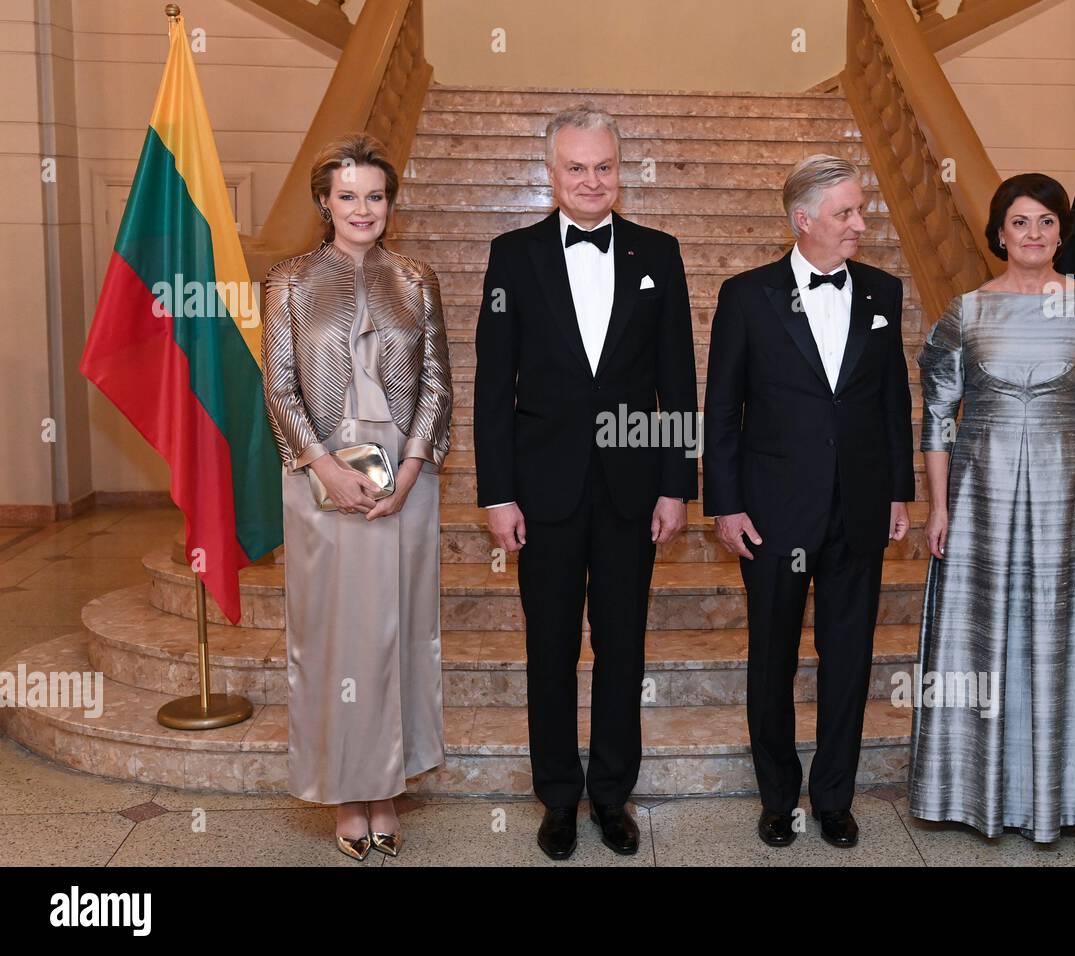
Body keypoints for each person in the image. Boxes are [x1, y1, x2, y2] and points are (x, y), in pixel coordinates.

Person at [473, 104, 697, 859]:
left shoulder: (659, 253)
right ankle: (558, 797)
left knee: (623, 647)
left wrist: (677, 485)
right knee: (551, 648)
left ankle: (612, 794)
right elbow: (490, 388)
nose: (591, 180)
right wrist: (497, 492)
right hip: (543, 490)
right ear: (552, 172)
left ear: (620, 170)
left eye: (603, 167)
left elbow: (678, 381)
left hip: (635, 488)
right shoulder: (513, 256)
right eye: (576, 167)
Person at [908, 172, 1075, 843]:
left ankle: (1059, 797)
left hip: (1068, 494)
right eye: (1019, 222)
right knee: (977, 637)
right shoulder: (967, 312)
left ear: (1061, 231)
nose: (1032, 234)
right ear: (999, 234)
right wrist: (939, 505)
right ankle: (969, 792)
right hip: (979, 494)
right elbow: (936, 420)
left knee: (1058, 634)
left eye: (1044, 221)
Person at [703, 154, 914, 848]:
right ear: (804, 220)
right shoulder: (746, 295)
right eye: (847, 213)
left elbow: (891, 402)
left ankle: (834, 798)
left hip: (857, 507)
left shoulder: (883, 292)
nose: (861, 223)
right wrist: (725, 504)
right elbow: (722, 409)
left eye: (861, 210)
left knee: (849, 657)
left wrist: (898, 492)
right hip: (772, 512)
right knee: (772, 658)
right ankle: (776, 795)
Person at [262, 132, 452, 861]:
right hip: (320, 486)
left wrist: (408, 472)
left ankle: (387, 785)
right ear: (324, 202)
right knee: (334, 639)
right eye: (348, 196)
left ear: (390, 204)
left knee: (398, 632)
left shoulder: (415, 280)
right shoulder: (287, 281)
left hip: (405, 486)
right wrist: (324, 469)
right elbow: (279, 388)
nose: (362, 208)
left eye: (375, 196)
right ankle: (345, 791)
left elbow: (437, 384)